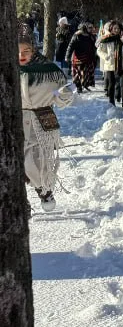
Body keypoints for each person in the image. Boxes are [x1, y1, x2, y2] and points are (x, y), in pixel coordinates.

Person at [19, 27, 74, 211]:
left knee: (34, 162)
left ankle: (43, 189)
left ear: (33, 50)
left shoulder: (48, 70)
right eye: (17, 51)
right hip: (15, 121)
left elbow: (61, 95)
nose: (21, 55)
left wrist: (64, 94)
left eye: (26, 50)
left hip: (40, 122)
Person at [96, 20, 123, 108]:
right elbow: (99, 50)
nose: (116, 30)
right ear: (111, 29)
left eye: (118, 28)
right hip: (110, 64)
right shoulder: (106, 39)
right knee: (111, 84)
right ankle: (112, 103)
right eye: (114, 28)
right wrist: (106, 56)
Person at [66, 22, 97, 93]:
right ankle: (79, 87)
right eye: (89, 28)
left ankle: (84, 84)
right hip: (78, 59)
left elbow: (94, 46)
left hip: (88, 59)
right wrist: (67, 56)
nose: (91, 29)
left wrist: (94, 56)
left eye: (91, 28)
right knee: (77, 75)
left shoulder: (91, 36)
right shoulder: (76, 36)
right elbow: (70, 47)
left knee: (86, 74)